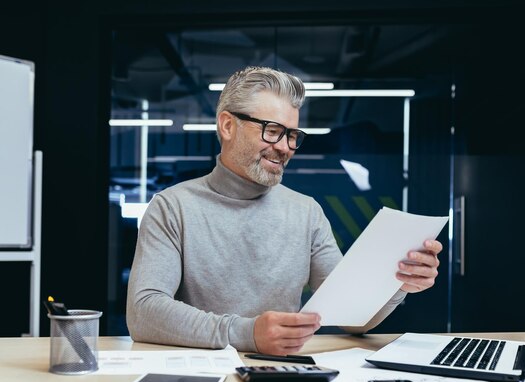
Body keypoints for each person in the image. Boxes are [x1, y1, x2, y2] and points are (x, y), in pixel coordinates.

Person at [126, 66, 443, 355]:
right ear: (227, 125)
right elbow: (144, 313)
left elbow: (354, 318)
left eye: (292, 135)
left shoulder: (306, 212)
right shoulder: (172, 207)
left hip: (283, 377)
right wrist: (247, 333)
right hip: (201, 378)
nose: (285, 147)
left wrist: (398, 285)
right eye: (272, 130)